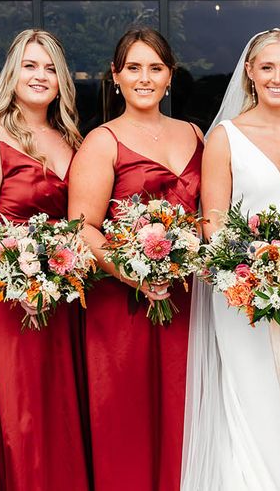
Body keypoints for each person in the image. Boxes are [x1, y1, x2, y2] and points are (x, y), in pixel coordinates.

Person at [182, 29, 280, 491]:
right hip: (242, 291)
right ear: (249, 72)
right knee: (253, 399)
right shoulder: (226, 137)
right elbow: (212, 223)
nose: (277, 77)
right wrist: (250, 275)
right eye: (266, 67)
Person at [68, 29, 203, 491]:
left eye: (156, 68)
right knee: (126, 417)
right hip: (123, 306)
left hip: (187, 302)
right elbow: (82, 227)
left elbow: (208, 216)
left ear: (170, 76)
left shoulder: (196, 133)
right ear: (116, 76)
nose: (144, 78)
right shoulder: (102, 142)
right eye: (133, 68)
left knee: (186, 412)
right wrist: (133, 274)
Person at [0, 29, 89, 491]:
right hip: (10, 299)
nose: (40, 76)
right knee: (23, 417)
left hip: (63, 294)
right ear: (12, 74)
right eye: (31, 66)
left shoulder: (70, 138)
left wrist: (58, 274)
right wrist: (27, 279)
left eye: (50, 68)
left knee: (63, 410)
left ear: (61, 81)